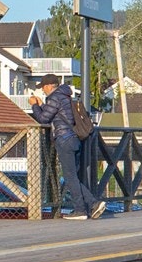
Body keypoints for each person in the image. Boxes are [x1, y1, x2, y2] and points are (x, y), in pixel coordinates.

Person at [29, 74, 102, 219]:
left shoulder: (54, 97)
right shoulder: (64, 96)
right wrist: (42, 105)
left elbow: (43, 118)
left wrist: (34, 106)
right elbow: (57, 114)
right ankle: (92, 205)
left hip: (64, 139)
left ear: (49, 86)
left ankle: (83, 209)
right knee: (73, 177)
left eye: (43, 87)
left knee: (69, 178)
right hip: (74, 139)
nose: (43, 91)